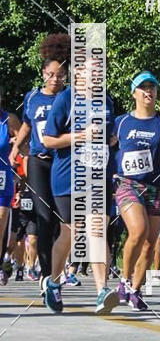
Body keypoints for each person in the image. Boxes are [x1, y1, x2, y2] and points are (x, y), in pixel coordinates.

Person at [42, 56, 117, 314]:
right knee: (71, 233)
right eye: (91, 70)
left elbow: (109, 138)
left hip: (98, 176)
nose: (97, 74)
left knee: (97, 230)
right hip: (68, 178)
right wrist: (80, 136)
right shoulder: (66, 99)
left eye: (100, 70)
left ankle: (101, 292)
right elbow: (48, 140)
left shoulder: (106, 101)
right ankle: (53, 282)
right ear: (78, 74)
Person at [114, 72, 160, 311]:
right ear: (134, 93)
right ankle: (124, 278)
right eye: (143, 88)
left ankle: (135, 290)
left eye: (152, 87)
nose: (148, 91)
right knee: (138, 231)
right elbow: (108, 148)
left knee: (151, 243)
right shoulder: (121, 122)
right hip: (129, 184)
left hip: (157, 186)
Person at [9, 33, 69, 286]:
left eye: (60, 75)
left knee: (59, 221)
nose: (55, 80)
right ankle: (47, 276)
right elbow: (27, 124)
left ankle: (56, 268)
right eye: (51, 74)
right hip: (38, 161)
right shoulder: (32, 97)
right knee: (44, 218)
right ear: (44, 72)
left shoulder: (69, 98)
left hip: (63, 162)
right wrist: (17, 147)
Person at [0, 104, 21, 285]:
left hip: (3, 177)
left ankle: (0, 264)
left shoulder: (9, 120)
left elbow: (26, 140)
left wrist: (16, 146)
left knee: (0, 223)